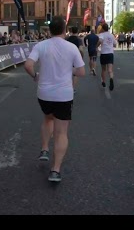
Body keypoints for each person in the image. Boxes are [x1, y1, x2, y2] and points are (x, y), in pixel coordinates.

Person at [24, 16, 85, 183]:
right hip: (64, 94)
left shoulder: (41, 45)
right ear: (65, 29)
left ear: (49, 30)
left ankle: (44, 149)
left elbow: (28, 65)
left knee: (47, 118)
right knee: (61, 132)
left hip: (44, 93)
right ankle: (55, 170)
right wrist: (68, 71)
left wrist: (35, 75)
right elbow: (81, 72)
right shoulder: (72, 47)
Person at [97, 23, 117, 91]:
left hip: (103, 53)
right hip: (110, 53)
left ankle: (103, 81)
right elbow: (115, 44)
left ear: (102, 28)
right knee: (110, 70)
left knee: (103, 69)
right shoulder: (111, 35)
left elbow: (100, 41)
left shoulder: (101, 34)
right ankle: (111, 79)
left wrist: (96, 46)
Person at [65, 26, 83, 92]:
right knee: (75, 74)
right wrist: (81, 56)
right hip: (75, 58)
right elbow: (81, 49)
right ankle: (72, 88)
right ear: (77, 31)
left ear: (71, 31)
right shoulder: (79, 40)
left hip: (67, 57)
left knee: (68, 72)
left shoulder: (67, 38)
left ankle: (67, 86)